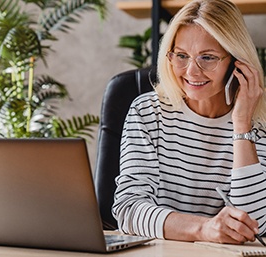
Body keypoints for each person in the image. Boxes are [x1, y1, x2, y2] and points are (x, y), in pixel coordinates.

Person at [112, 0, 266, 244]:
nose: (191, 71)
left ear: (236, 62)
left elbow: (254, 228)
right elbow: (129, 210)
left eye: (207, 57)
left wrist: (241, 125)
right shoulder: (147, 112)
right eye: (181, 55)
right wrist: (203, 229)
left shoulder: (259, 123)